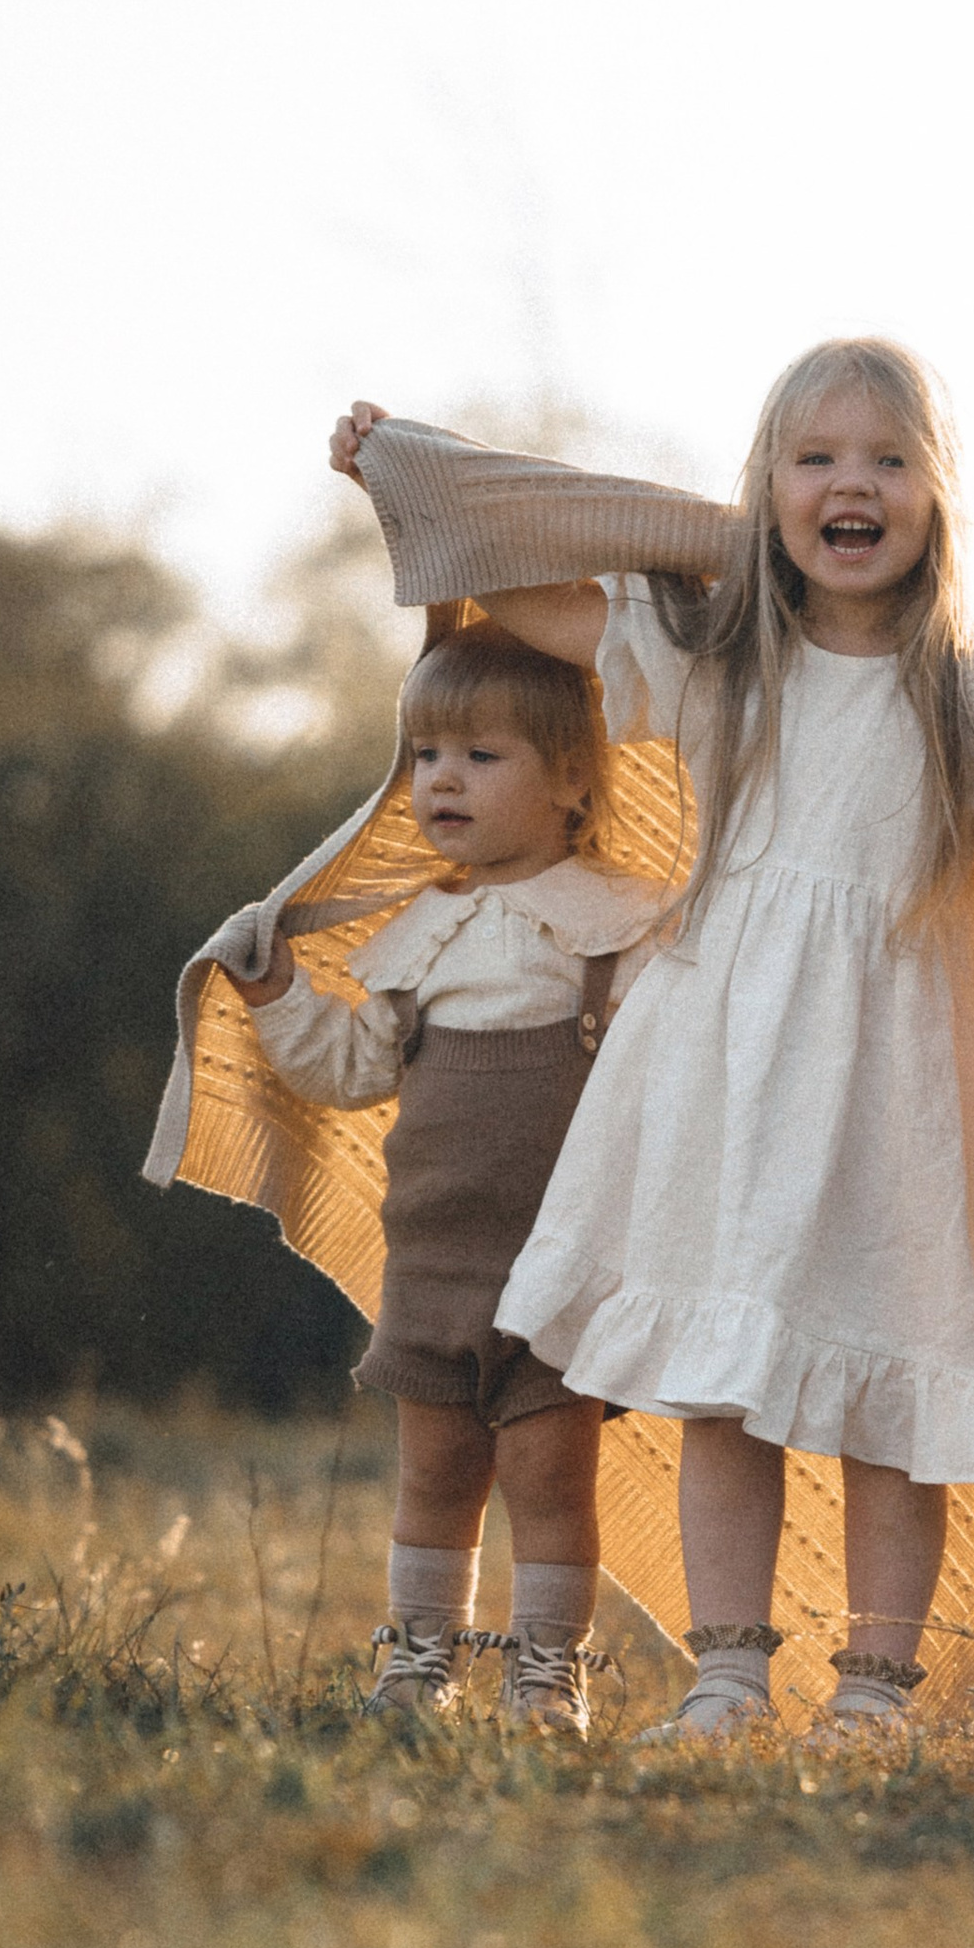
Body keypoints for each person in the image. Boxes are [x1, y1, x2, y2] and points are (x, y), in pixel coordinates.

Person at [327, 338, 974, 1739]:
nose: (853, 484)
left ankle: (873, 1690)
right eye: (814, 459)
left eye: (890, 460)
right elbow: (529, 595)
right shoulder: (724, 656)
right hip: (725, 1072)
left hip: (903, 1088)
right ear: (765, 489)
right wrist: (414, 473)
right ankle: (728, 1676)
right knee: (721, 1386)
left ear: (944, 494)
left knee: (891, 1390)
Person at [214, 619, 666, 1728]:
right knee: (434, 1477)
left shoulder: (619, 930)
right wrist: (277, 995)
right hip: (432, 1264)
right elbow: (347, 1068)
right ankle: (419, 1667)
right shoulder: (420, 935)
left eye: (480, 754)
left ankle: (546, 1677)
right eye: (425, 755)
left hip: (561, 1269)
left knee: (549, 1481)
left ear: (572, 781)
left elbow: (677, 1078)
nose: (442, 779)